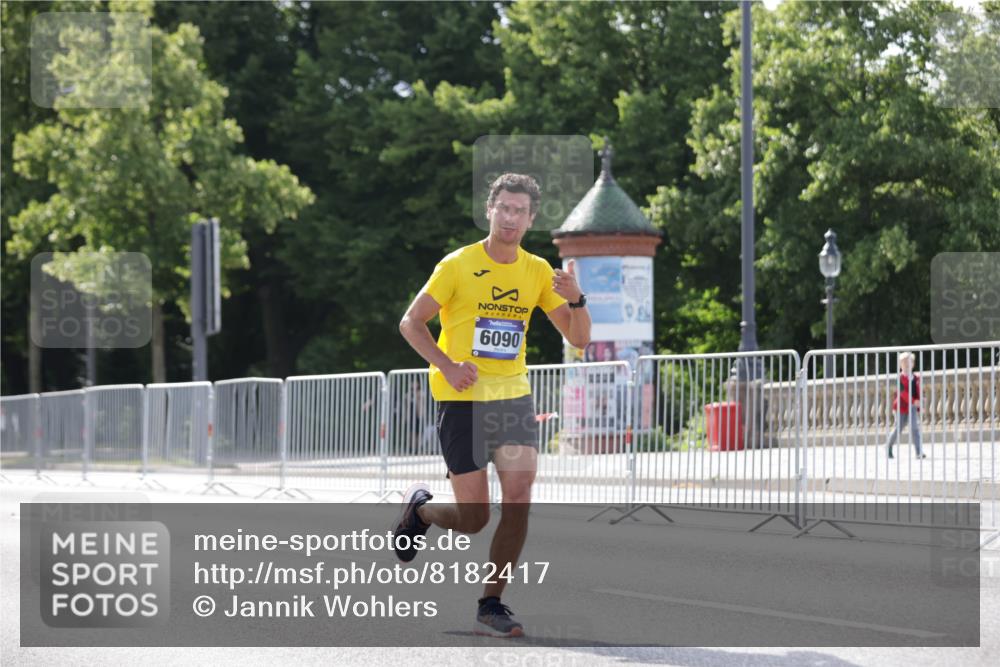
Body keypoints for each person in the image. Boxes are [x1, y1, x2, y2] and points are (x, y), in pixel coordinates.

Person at [396, 173, 591, 638]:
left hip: (512, 398)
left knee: (519, 499)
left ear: (531, 219)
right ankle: (421, 512)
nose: (510, 217)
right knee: (474, 519)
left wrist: (578, 299)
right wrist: (446, 365)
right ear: (490, 210)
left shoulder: (539, 271)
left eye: (519, 210)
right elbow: (411, 323)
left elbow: (580, 339)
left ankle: (491, 602)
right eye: (503, 207)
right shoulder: (457, 265)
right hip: (461, 400)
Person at [885, 351, 926, 459]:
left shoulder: (916, 378)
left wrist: (921, 403)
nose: (907, 364)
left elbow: (919, 392)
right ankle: (889, 446)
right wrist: (914, 401)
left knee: (915, 428)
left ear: (913, 364)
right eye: (904, 362)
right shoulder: (899, 378)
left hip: (912, 407)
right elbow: (902, 393)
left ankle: (918, 452)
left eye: (909, 362)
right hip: (900, 407)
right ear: (900, 365)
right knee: (898, 428)